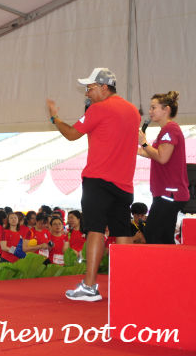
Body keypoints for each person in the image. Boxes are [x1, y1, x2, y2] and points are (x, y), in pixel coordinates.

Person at [47, 67, 139, 301]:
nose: (87, 93)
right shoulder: (132, 111)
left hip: (98, 180)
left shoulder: (99, 109)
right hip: (125, 183)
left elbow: (71, 134)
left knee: (95, 230)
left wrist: (55, 118)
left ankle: (89, 287)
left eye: (90, 88)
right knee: (122, 231)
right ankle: (127, 286)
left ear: (104, 87)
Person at [138, 91, 190, 244]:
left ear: (166, 109)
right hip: (166, 192)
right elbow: (152, 153)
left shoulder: (170, 129)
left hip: (169, 193)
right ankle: (170, 259)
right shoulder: (165, 130)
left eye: (154, 107)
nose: (150, 111)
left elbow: (162, 157)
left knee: (153, 233)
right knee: (163, 236)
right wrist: (135, 148)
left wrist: (144, 142)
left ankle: (165, 259)